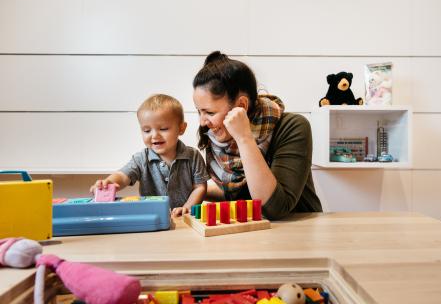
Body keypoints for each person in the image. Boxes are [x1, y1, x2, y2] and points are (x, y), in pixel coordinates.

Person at [192, 51, 322, 220]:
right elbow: (239, 196)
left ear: (241, 105)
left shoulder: (293, 127)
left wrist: (244, 138)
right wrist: (195, 188)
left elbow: (273, 208)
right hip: (250, 235)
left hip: (296, 235)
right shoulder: (217, 137)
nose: (203, 122)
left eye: (209, 112)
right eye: (199, 111)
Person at [90, 94, 209, 217]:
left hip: (185, 219)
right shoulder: (141, 158)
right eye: (147, 131)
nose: (154, 135)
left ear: (181, 128)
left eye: (163, 129)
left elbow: (199, 188)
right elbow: (123, 176)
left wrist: (187, 208)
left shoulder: (193, 156)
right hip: (152, 217)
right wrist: (109, 182)